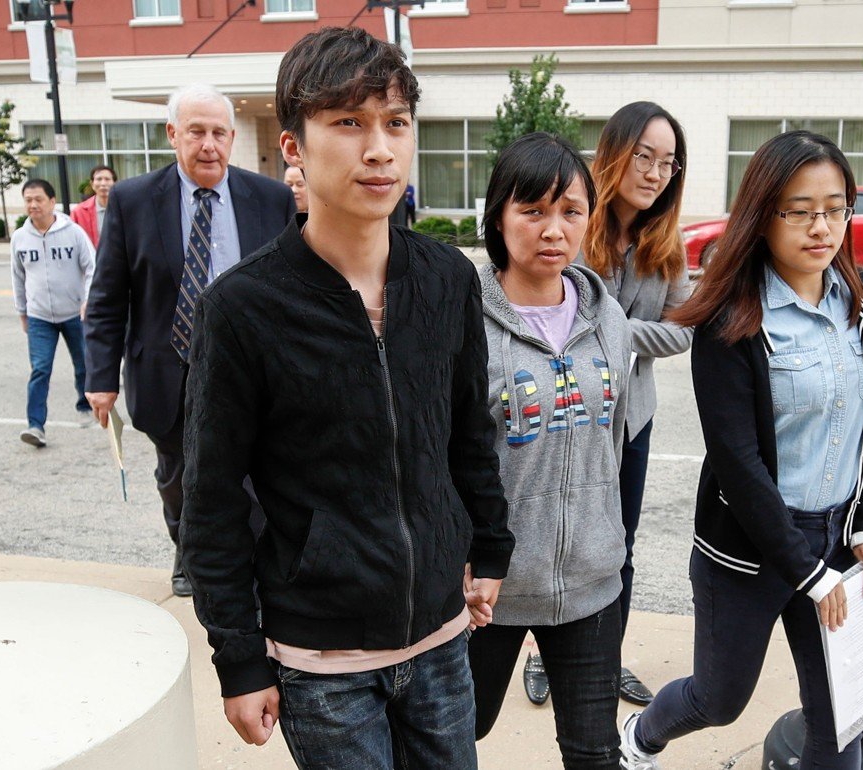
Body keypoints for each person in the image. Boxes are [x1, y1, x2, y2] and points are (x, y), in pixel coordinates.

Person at [180, 27, 513, 769]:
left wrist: (489, 547)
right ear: (293, 145)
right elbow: (210, 498)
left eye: (396, 122)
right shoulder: (243, 308)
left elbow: (466, 434)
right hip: (319, 658)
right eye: (349, 123)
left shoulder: (447, 280)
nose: (380, 149)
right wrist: (238, 656)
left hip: (440, 641)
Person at [618, 130, 863, 770]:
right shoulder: (731, 318)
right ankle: (641, 736)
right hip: (748, 552)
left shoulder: (860, 298)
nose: (820, 226)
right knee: (719, 699)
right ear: (761, 215)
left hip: (840, 540)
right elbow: (737, 463)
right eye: (798, 210)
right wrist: (805, 570)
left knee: (840, 715)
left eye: (835, 207)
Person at [83, 82, 295, 597]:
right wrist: (100, 379)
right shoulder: (134, 201)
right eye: (196, 132)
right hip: (167, 370)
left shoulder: (269, 198)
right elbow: (109, 297)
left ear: (232, 136)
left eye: (219, 133)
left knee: (254, 477)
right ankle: (189, 550)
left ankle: (251, 564)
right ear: (172, 134)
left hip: (251, 372)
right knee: (180, 477)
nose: (209, 145)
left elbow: (292, 287)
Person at [469, 132, 631, 769]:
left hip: (592, 583)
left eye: (570, 210)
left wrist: (609, 537)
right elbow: (447, 454)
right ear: (499, 219)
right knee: (454, 738)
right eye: (531, 210)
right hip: (488, 588)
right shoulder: (464, 321)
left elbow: (612, 439)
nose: (553, 229)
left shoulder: (608, 318)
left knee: (594, 754)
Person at [547, 101, 690, 708]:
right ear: (615, 154)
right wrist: (627, 326)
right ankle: (543, 652)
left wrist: (609, 324)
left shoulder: (666, 243)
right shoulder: (576, 220)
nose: (656, 172)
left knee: (618, 544)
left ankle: (604, 662)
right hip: (568, 412)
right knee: (555, 534)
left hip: (631, 419)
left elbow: (683, 332)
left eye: (668, 162)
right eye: (644, 156)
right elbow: (552, 311)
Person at [11, 178, 96, 448]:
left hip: (74, 313)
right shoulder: (20, 238)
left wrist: (87, 300)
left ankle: (84, 404)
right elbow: (17, 276)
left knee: (83, 363)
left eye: (38, 199)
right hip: (39, 317)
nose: (33, 205)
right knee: (40, 370)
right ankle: (35, 426)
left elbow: (92, 267)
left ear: (51, 201)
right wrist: (22, 311)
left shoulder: (73, 232)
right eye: (28, 200)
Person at [72, 165, 116, 248]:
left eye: (107, 179)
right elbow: (72, 240)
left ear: (115, 183)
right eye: (99, 179)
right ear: (92, 184)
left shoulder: (125, 209)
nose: (103, 183)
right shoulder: (79, 212)